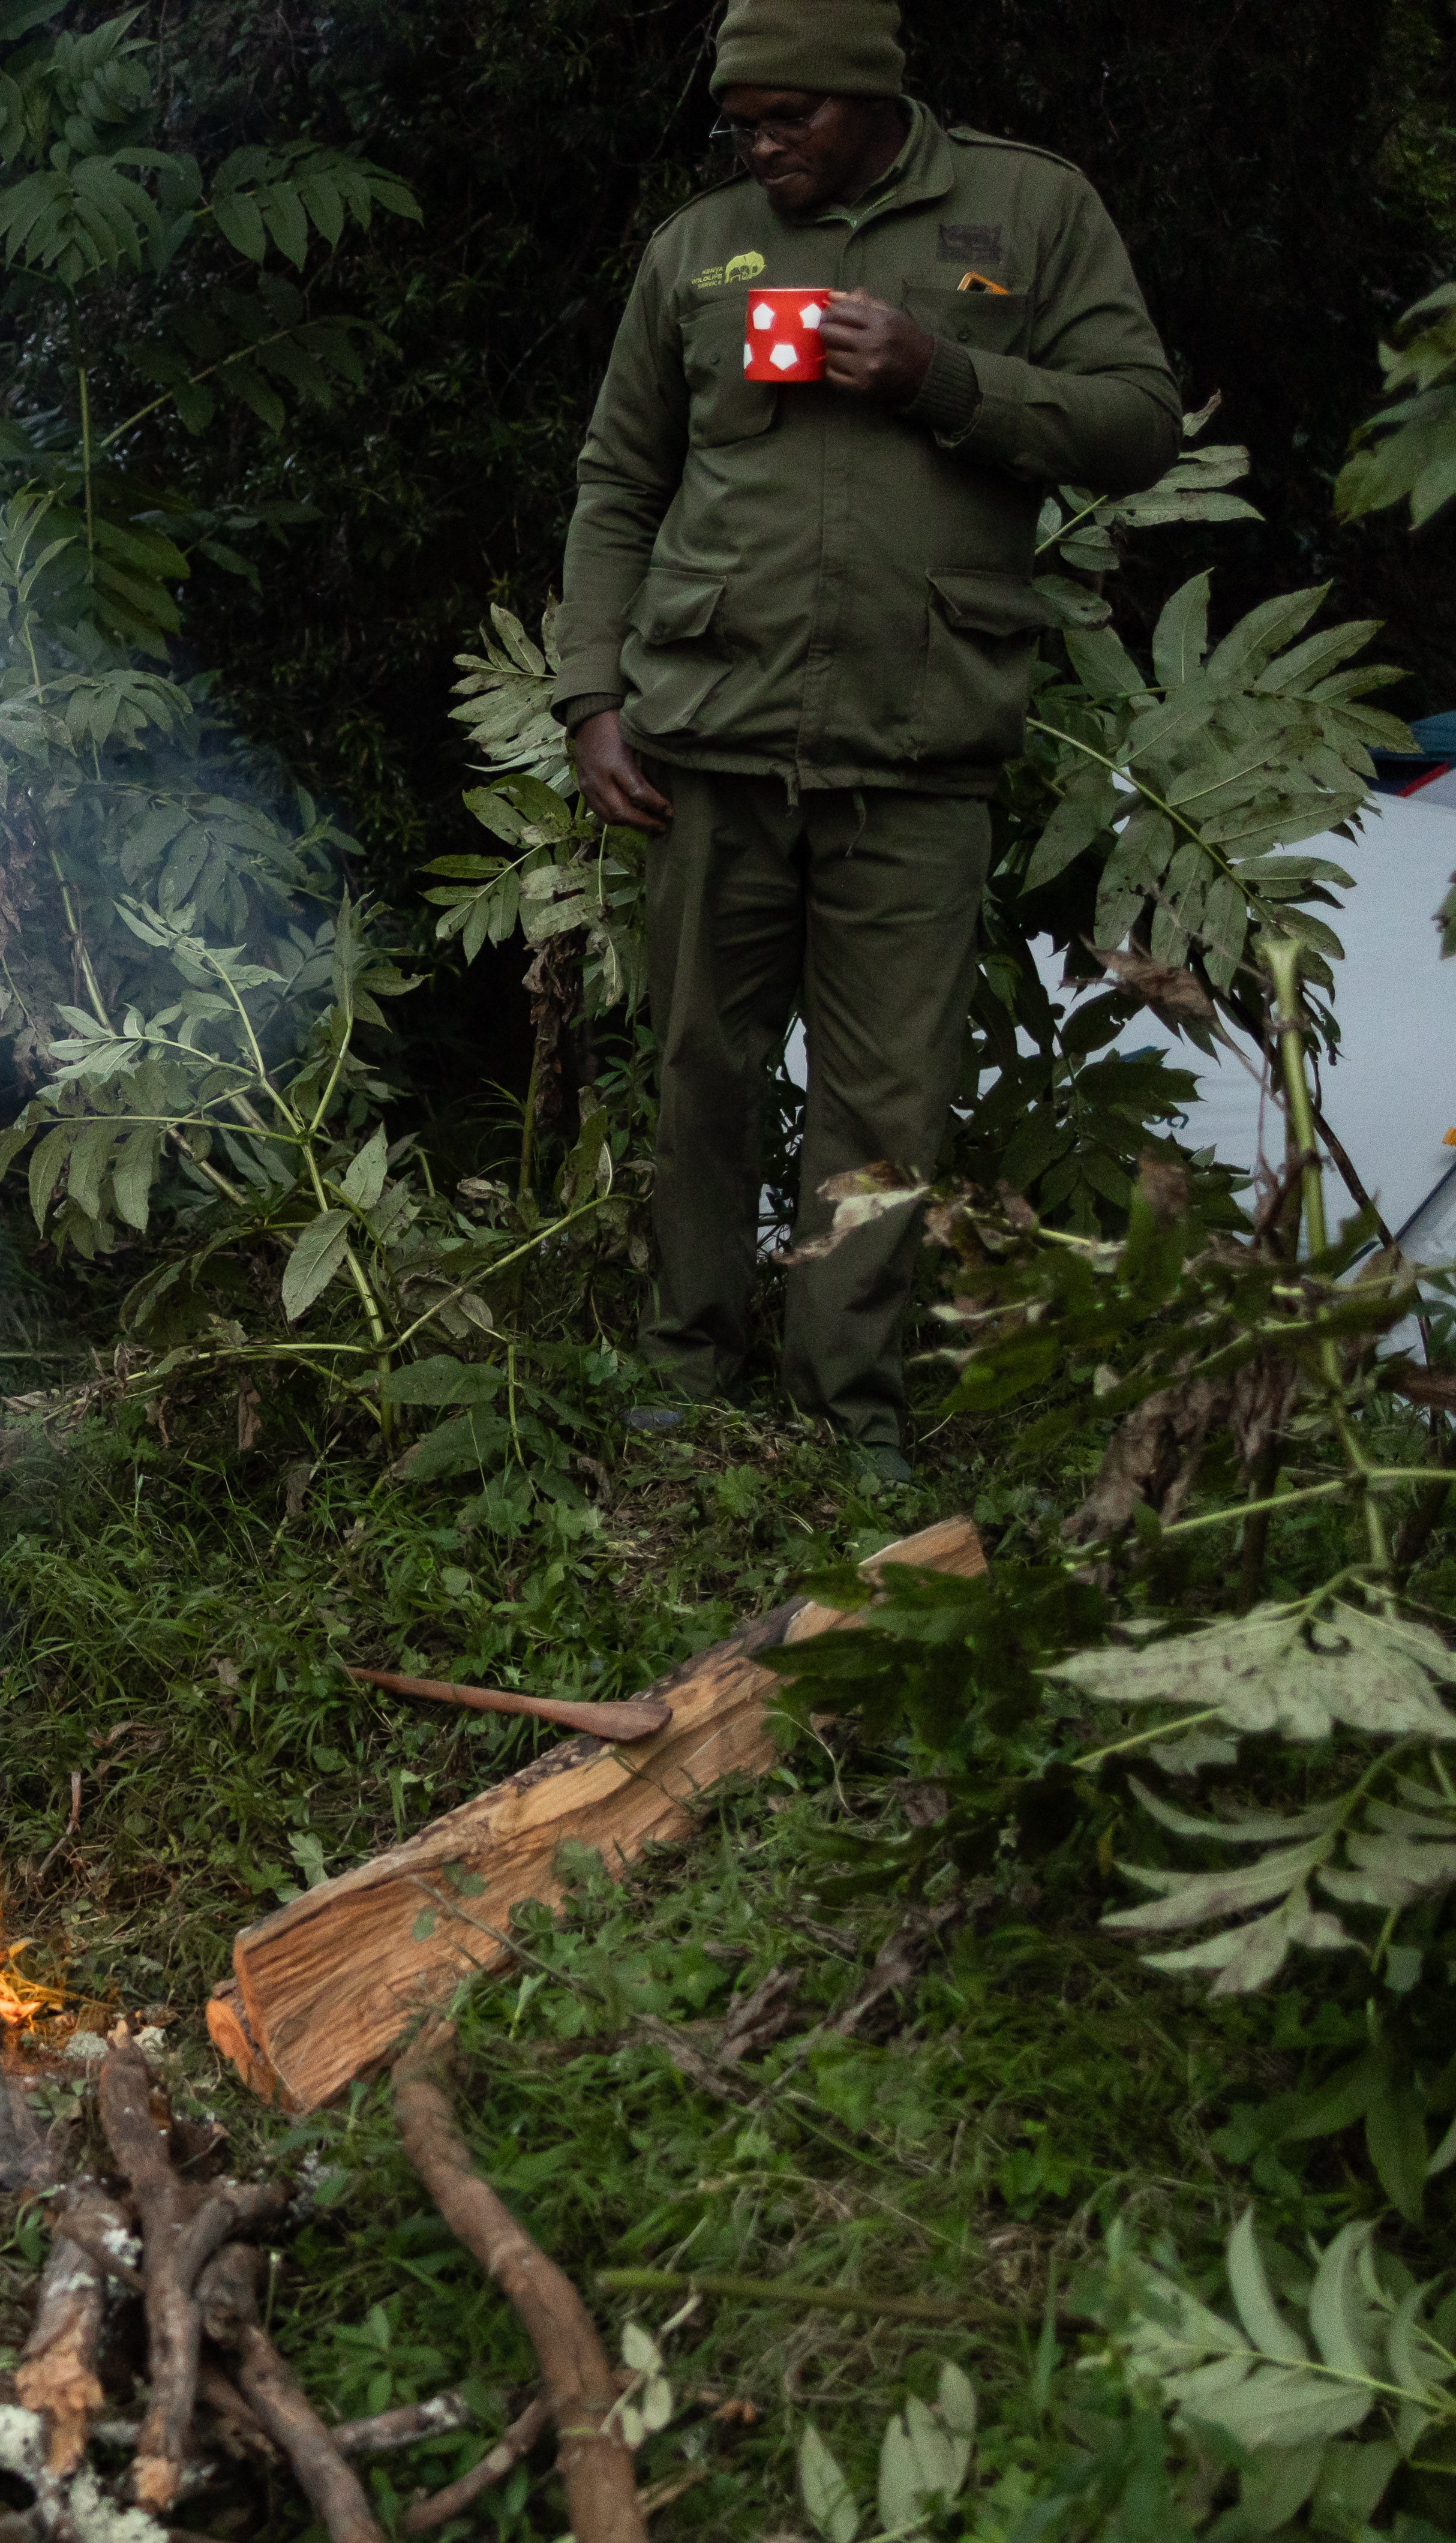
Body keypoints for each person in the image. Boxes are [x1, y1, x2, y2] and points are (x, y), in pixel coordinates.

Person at [553, 0, 1179, 1482]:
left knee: (886, 1099)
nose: (763, 148)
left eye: (793, 120)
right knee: (703, 1059)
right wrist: (590, 696)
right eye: (743, 125)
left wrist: (941, 376)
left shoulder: (1031, 209)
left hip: (920, 739)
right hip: (711, 734)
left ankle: (851, 1412)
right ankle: (685, 1365)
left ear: (870, 98)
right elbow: (618, 477)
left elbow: (1139, 423)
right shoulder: (698, 250)